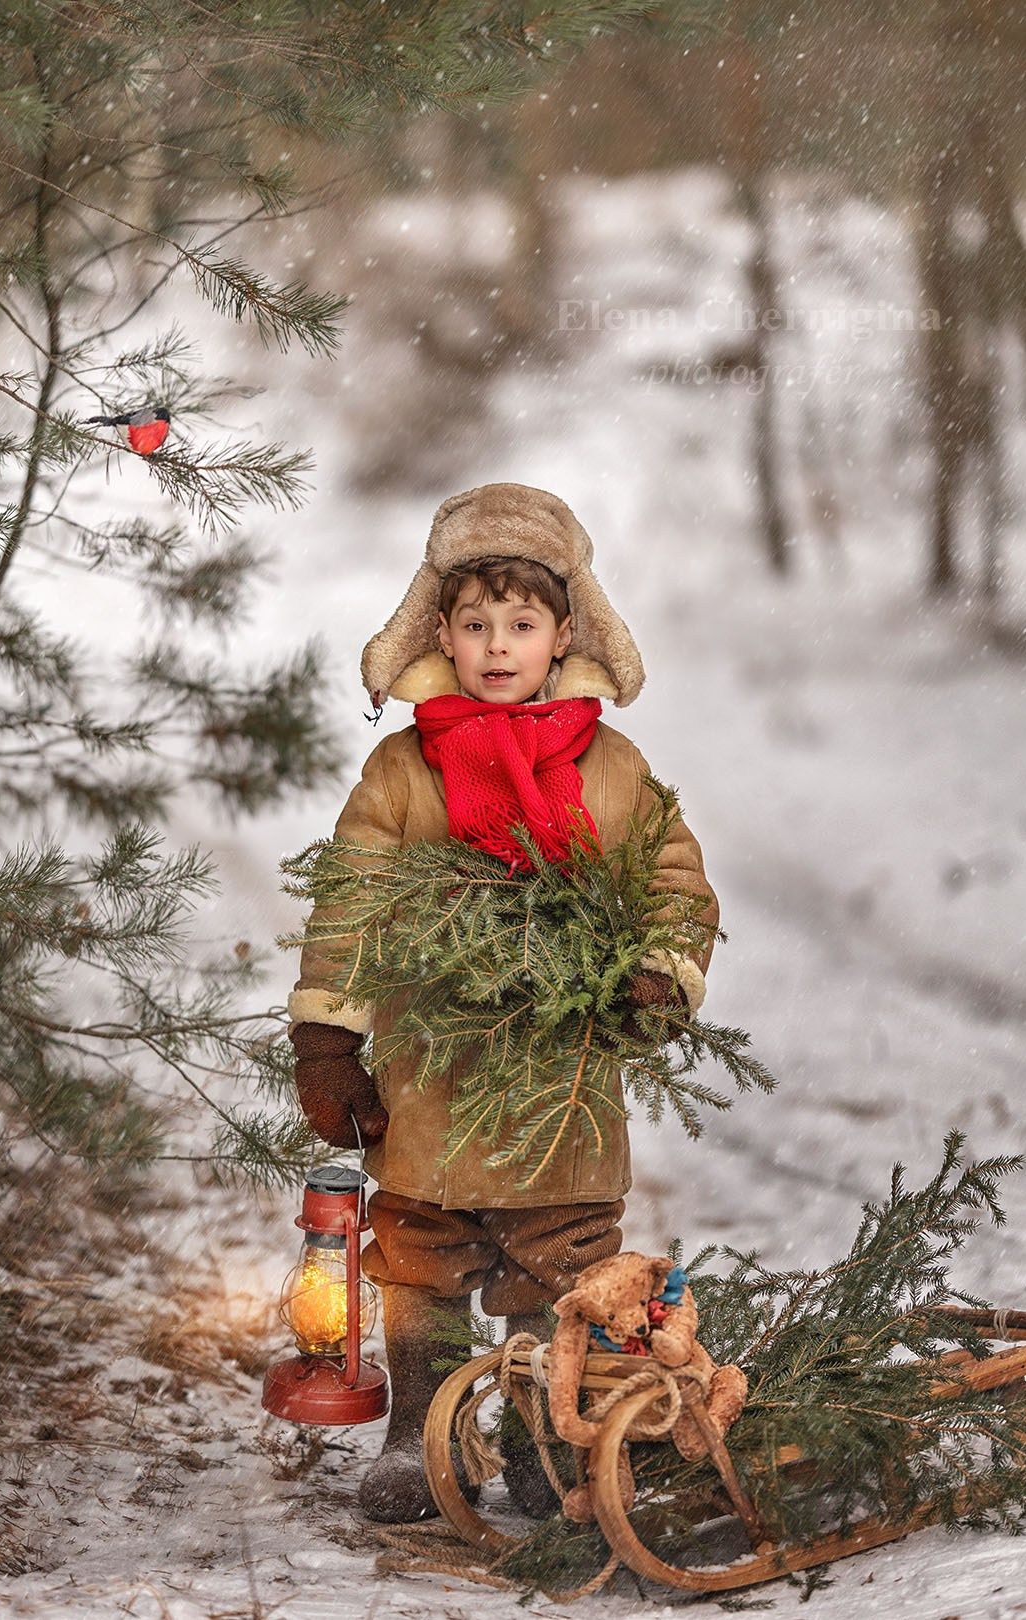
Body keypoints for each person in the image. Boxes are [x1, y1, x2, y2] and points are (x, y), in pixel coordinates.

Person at [287, 482, 719, 1523]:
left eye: (521, 624)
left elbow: (674, 879)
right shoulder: (404, 769)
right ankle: (419, 1433)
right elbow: (350, 897)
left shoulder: (610, 769)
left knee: (553, 1265)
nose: (496, 645)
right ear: (439, 630)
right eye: (474, 624)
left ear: (565, 634)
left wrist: (657, 972)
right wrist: (328, 1040)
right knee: (420, 1259)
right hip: (430, 1081)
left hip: (556, 1088)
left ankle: (538, 1434)